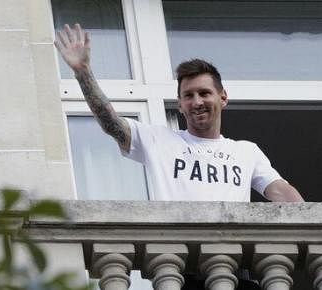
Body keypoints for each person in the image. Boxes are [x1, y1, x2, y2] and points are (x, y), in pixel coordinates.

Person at [54, 23, 303, 202]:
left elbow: (280, 191)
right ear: (180, 105)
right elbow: (111, 123)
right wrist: (82, 72)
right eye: (188, 95)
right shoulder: (159, 141)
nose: (197, 102)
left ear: (223, 97)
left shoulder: (246, 151)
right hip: (179, 265)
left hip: (233, 267)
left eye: (204, 93)